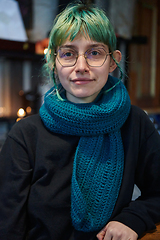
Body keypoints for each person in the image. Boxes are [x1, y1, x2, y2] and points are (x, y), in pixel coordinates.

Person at [0, 2, 160, 240]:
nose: (81, 67)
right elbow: (7, 226)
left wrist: (133, 219)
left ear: (113, 60)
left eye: (94, 53)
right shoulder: (25, 135)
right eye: (68, 54)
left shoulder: (135, 123)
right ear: (54, 62)